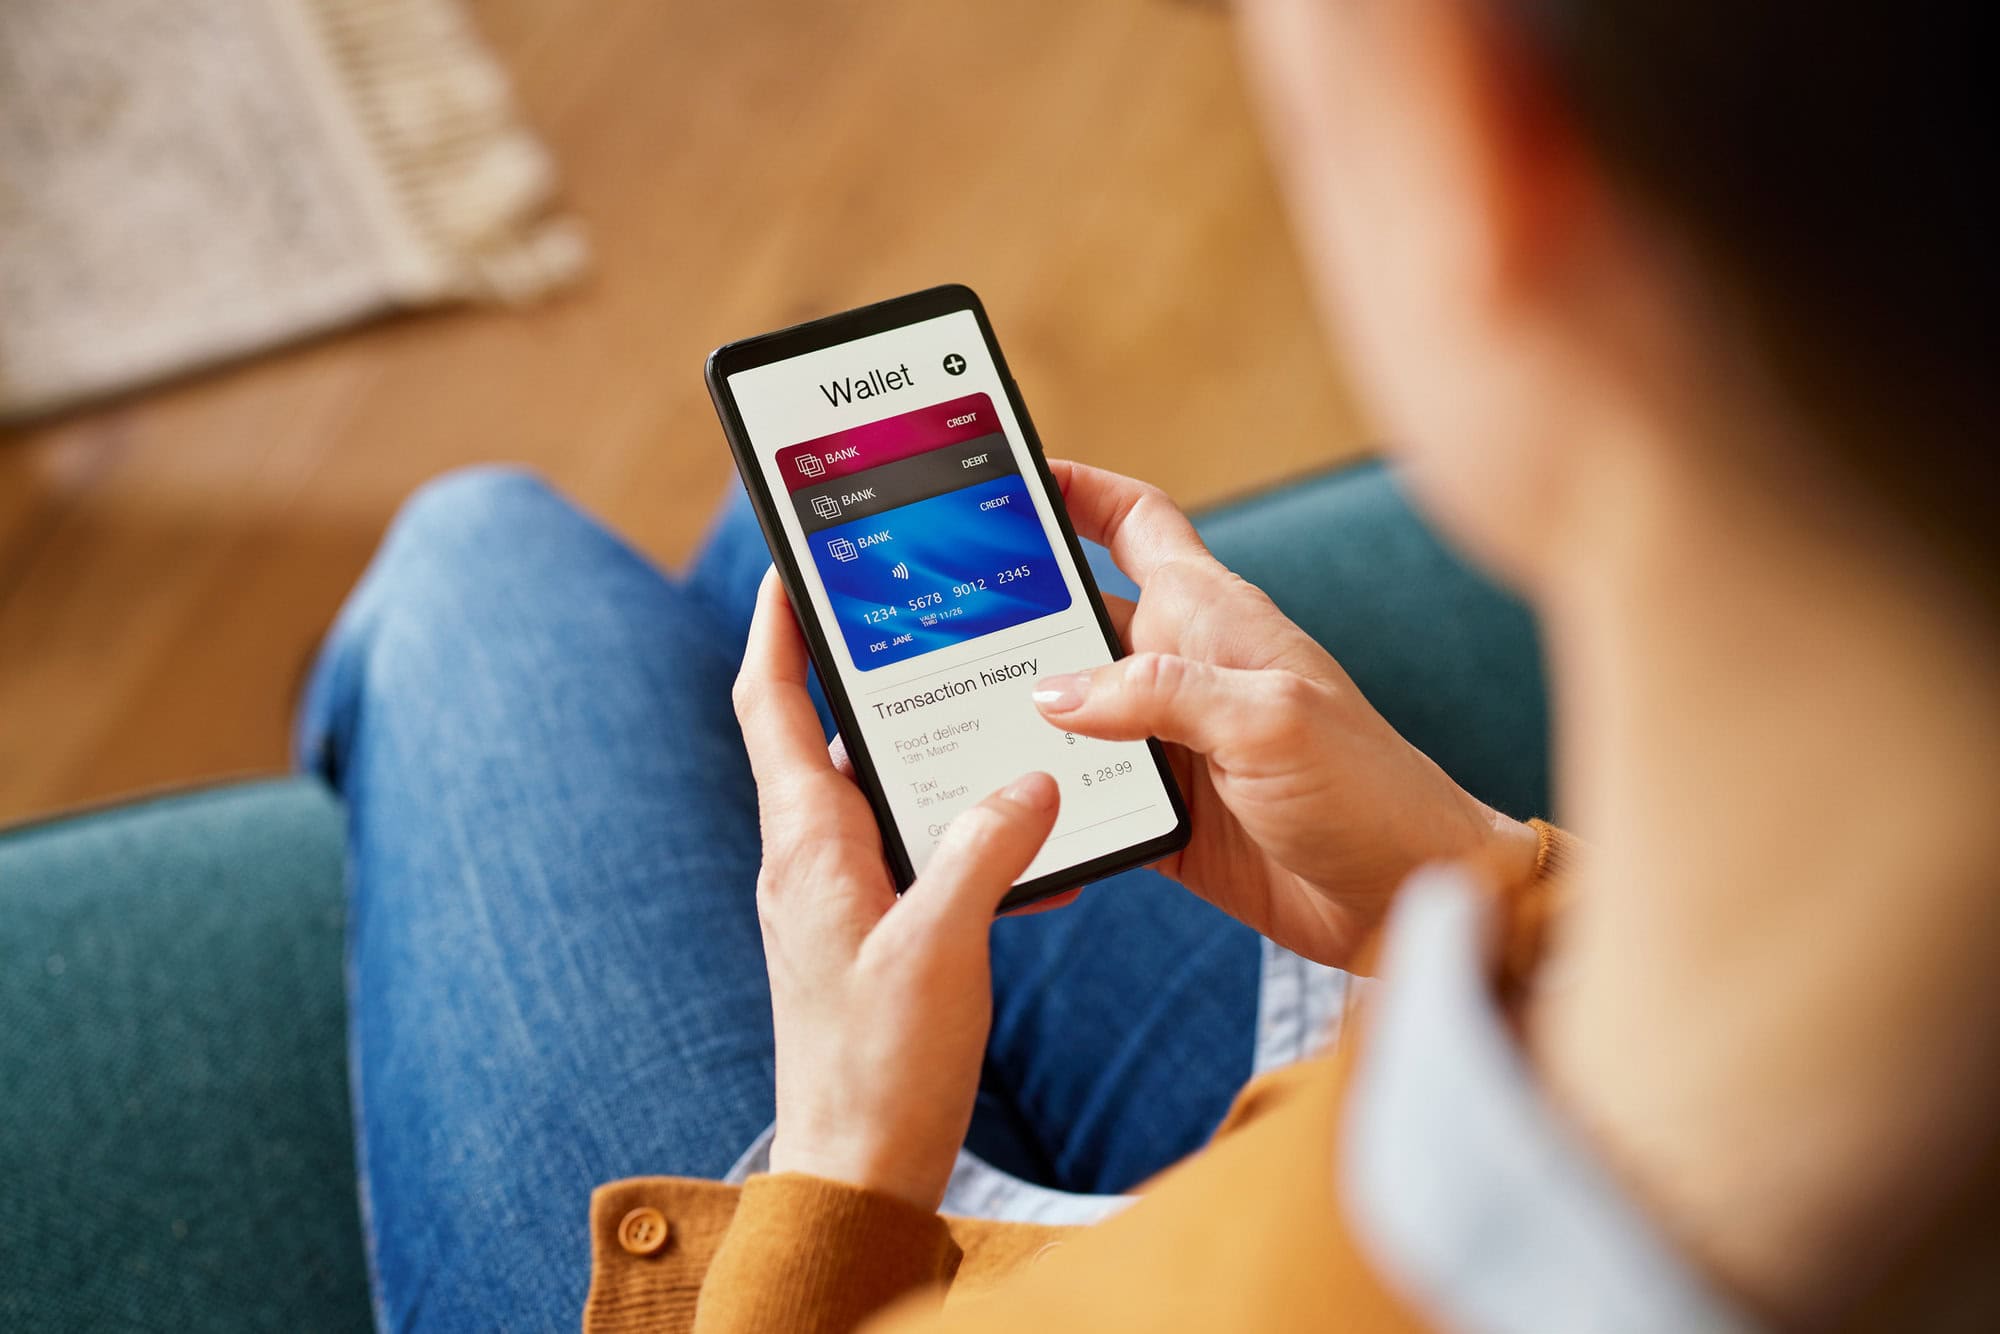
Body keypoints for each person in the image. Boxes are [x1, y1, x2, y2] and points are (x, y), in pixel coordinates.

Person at [299, 0, 1997, 1329]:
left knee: (481, 566)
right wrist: (1473, 888)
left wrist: (840, 1165)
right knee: (792, 563)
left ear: (1494, 142)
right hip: (1428, 1064)